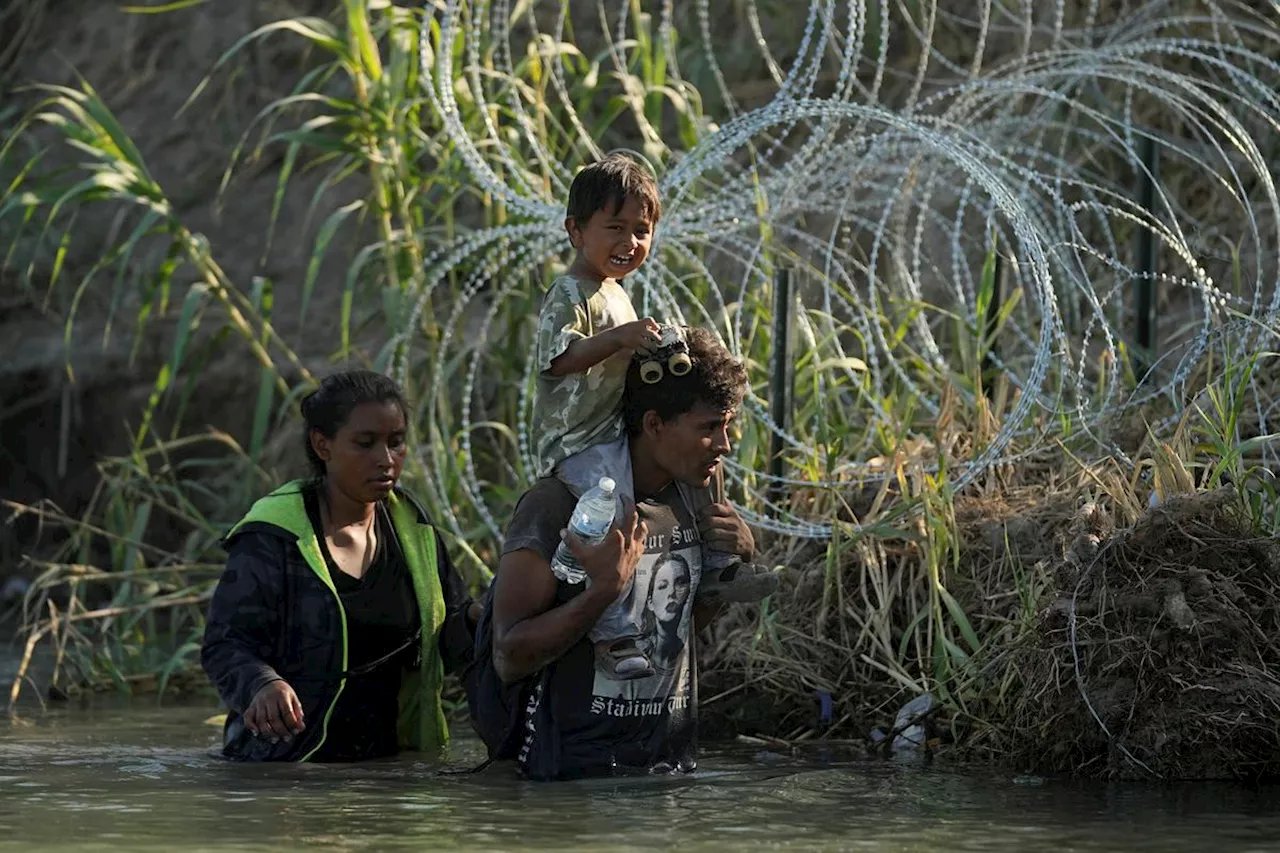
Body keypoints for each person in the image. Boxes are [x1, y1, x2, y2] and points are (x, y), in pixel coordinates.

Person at [533, 153, 776, 681]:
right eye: (614, 227)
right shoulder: (570, 293)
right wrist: (620, 337)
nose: (630, 243)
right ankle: (616, 636)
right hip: (577, 441)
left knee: (704, 469)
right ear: (575, 230)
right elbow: (558, 360)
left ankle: (719, 570)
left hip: (612, 429)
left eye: (641, 230)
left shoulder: (616, 294)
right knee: (617, 525)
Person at [492, 325, 759, 780]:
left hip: (669, 767)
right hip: (571, 780)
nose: (724, 445)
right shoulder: (559, 504)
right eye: (709, 428)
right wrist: (602, 591)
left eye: (728, 426)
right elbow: (510, 656)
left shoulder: (694, 499)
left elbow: (675, 631)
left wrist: (736, 560)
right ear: (654, 424)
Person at [201, 370, 478, 762]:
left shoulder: (412, 529)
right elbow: (224, 644)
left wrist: (488, 619)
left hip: (389, 767)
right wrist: (262, 685)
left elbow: (450, 627)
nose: (386, 459)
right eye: (365, 444)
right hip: (286, 770)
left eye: (396, 442)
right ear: (322, 445)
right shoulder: (274, 535)